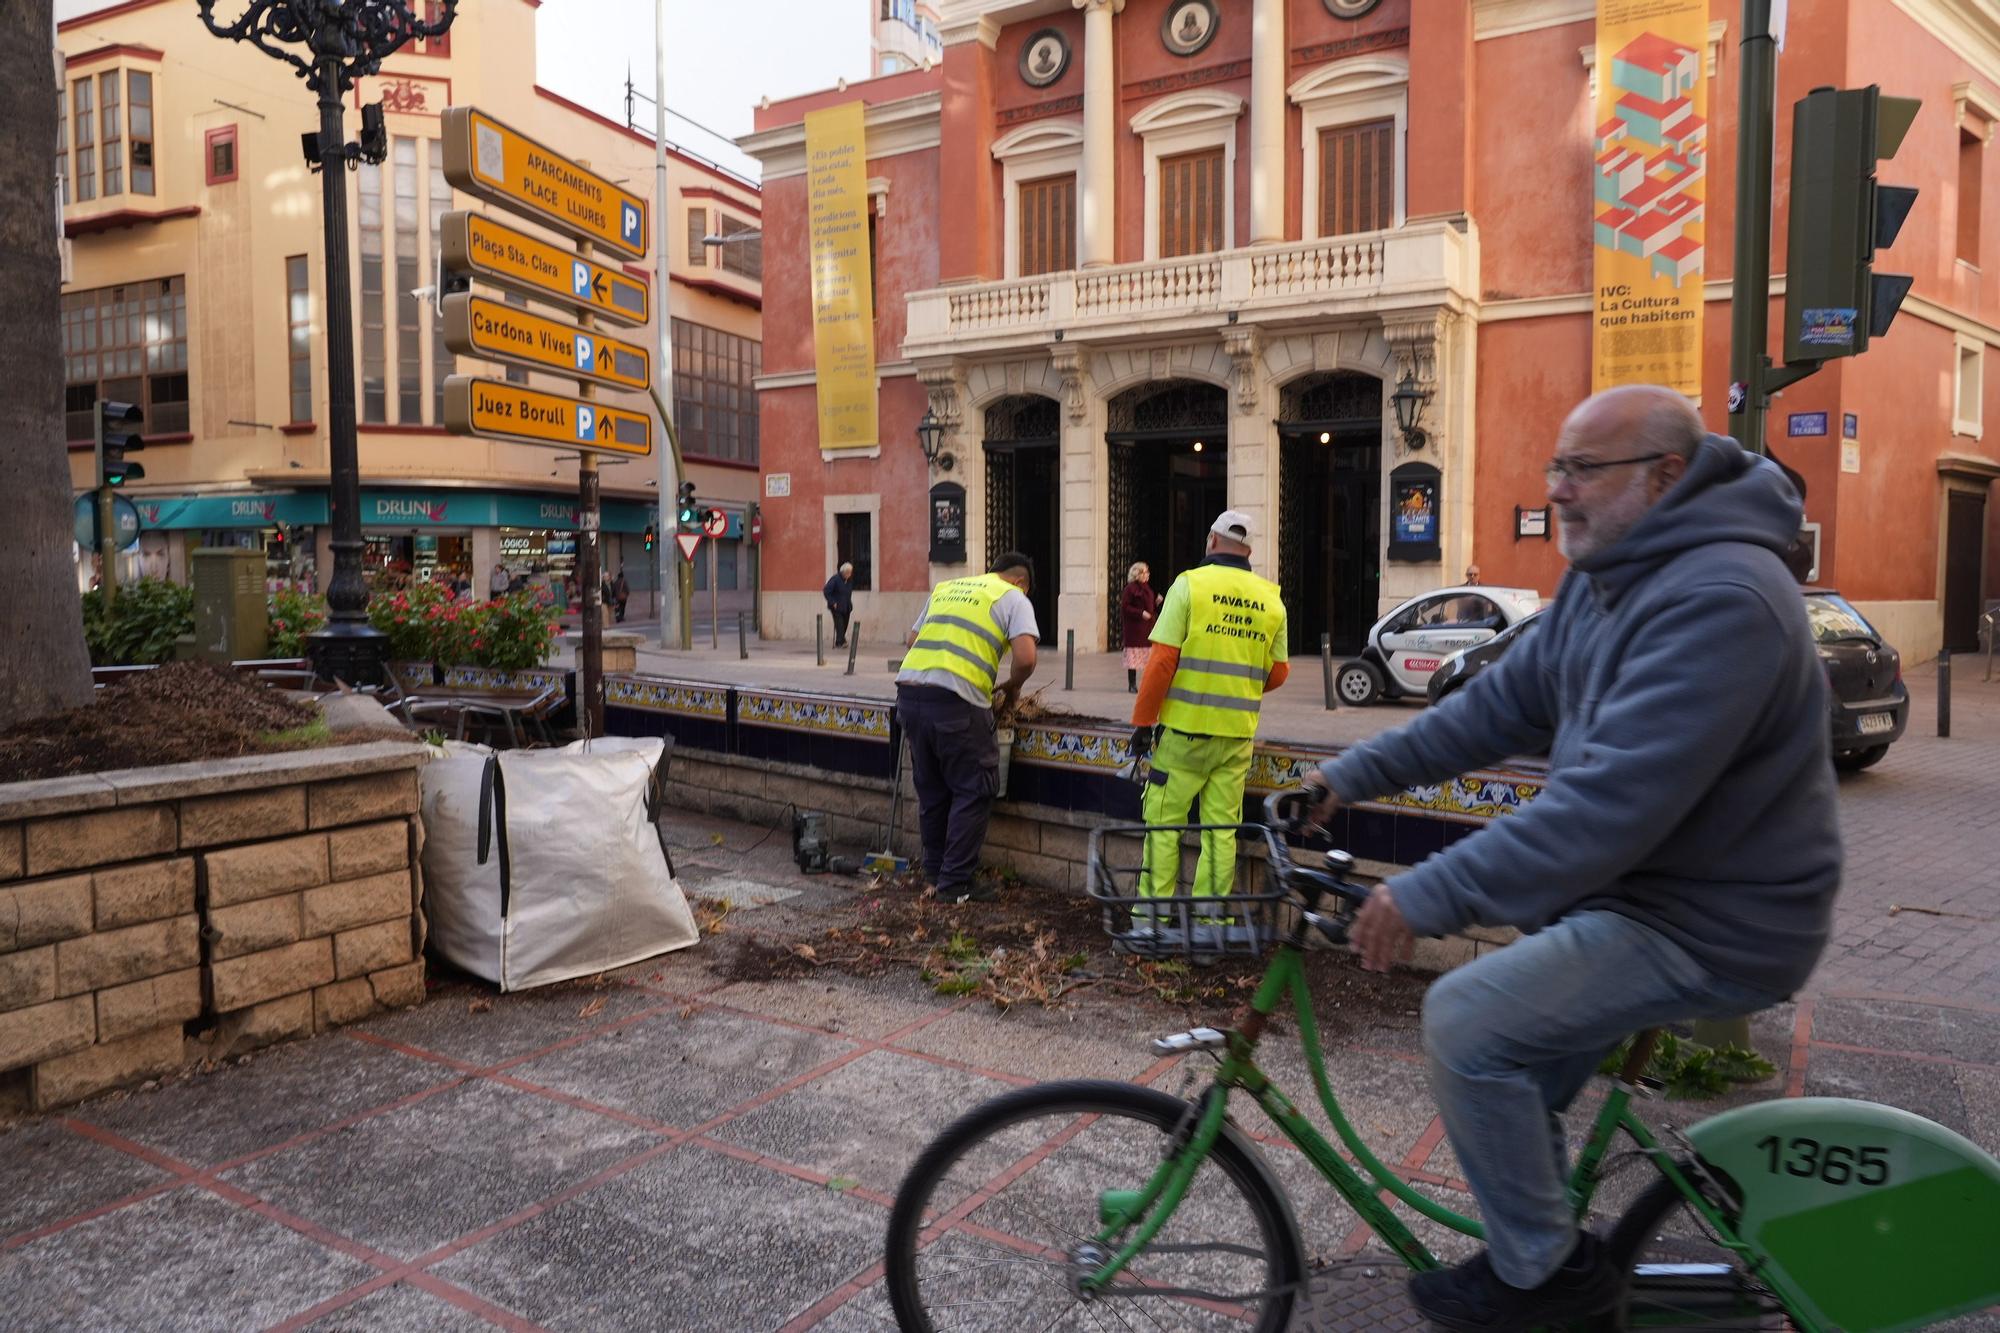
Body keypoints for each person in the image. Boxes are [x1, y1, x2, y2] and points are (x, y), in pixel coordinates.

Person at [1301, 385, 1840, 1331]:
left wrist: (1425, 893)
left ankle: (1551, 1284)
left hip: (1714, 921)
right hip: (1640, 896)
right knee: (1514, 1084)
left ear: (1665, 476)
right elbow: (1494, 708)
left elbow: (1605, 811)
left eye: (1584, 469)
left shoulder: (1723, 598)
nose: (1559, 490)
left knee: (1468, 1021)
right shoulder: (1611, 579)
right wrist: (1344, 775)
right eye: (1556, 467)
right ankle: (1541, 1248)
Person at [1130, 511, 1289, 906]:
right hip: (1237, 737)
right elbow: (1280, 672)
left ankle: (1151, 921)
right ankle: (1210, 925)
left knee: (1164, 827)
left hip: (1183, 735)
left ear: (1212, 541)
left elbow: (1161, 662)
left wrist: (1143, 723)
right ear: (1249, 550)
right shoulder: (1271, 598)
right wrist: (1236, 687)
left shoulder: (1190, 585)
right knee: (1220, 831)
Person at [894, 553, 1040, 902]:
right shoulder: (1013, 596)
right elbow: (1026, 657)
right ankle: (955, 883)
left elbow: (912, 640)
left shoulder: (946, 588)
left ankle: (934, 872)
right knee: (976, 786)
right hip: (956, 701)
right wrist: (1011, 686)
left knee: (932, 789)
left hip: (909, 692)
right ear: (1021, 582)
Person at [1119, 562, 1160, 693]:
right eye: (1145, 572)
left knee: (1148, 658)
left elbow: (1149, 607)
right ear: (1138, 574)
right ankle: (1132, 684)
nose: (1147, 574)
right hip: (1134, 630)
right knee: (1133, 658)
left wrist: (1156, 602)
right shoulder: (1130, 589)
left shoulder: (1147, 588)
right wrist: (1140, 613)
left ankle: (1147, 683)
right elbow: (1126, 607)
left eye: (1147, 572)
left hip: (1146, 628)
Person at [824, 562, 856, 648]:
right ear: (843, 572)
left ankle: (841, 640)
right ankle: (840, 642)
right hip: (836, 606)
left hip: (846, 606)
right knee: (839, 624)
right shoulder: (835, 579)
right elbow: (826, 590)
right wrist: (832, 602)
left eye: (850, 572)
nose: (849, 574)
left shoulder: (848, 581)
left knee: (845, 623)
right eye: (847, 572)